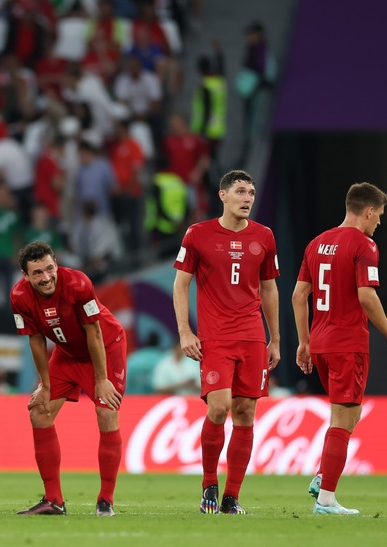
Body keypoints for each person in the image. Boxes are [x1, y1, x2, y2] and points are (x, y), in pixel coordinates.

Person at [291, 182, 387, 515]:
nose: (379, 223)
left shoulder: (316, 243)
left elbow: (299, 296)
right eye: (379, 216)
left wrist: (304, 341)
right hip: (347, 344)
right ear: (368, 211)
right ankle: (326, 500)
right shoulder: (364, 244)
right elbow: (366, 296)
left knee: (347, 413)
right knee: (344, 418)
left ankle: (322, 476)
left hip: (322, 344)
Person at [173, 169, 280, 515]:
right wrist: (185, 332)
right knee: (219, 408)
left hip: (252, 336)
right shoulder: (198, 234)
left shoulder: (264, 236)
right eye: (239, 191)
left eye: (250, 192)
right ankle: (208, 484)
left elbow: (269, 289)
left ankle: (232, 497)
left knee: (246, 413)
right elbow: (180, 285)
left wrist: (275, 339)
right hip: (216, 336)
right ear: (222, 195)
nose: (247, 198)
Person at [11, 241, 127, 517]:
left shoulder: (78, 284)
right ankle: (53, 500)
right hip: (67, 354)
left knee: (106, 413)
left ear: (56, 264)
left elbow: (95, 333)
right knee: (39, 411)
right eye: (37, 273)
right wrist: (45, 385)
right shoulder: (18, 296)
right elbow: (36, 342)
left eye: (50, 268)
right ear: (26, 277)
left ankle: (105, 501)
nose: (46, 277)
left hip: (104, 348)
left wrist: (101, 379)